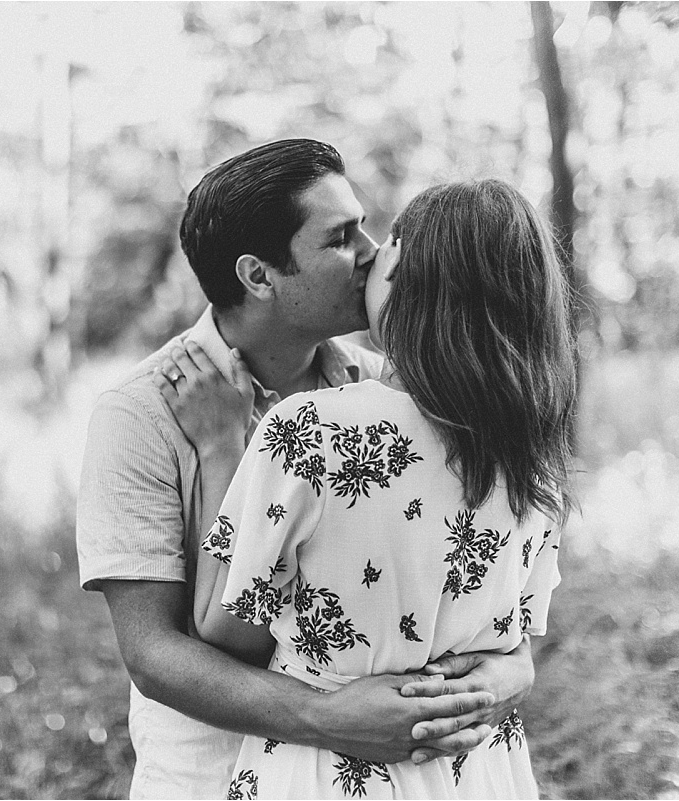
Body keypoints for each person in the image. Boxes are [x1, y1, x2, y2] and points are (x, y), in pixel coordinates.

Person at [77, 140, 537, 799]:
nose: (375, 253)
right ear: (260, 276)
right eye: (343, 238)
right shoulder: (141, 415)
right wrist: (327, 718)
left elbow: (479, 588)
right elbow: (154, 654)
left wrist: (509, 671)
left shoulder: (386, 386)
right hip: (207, 775)